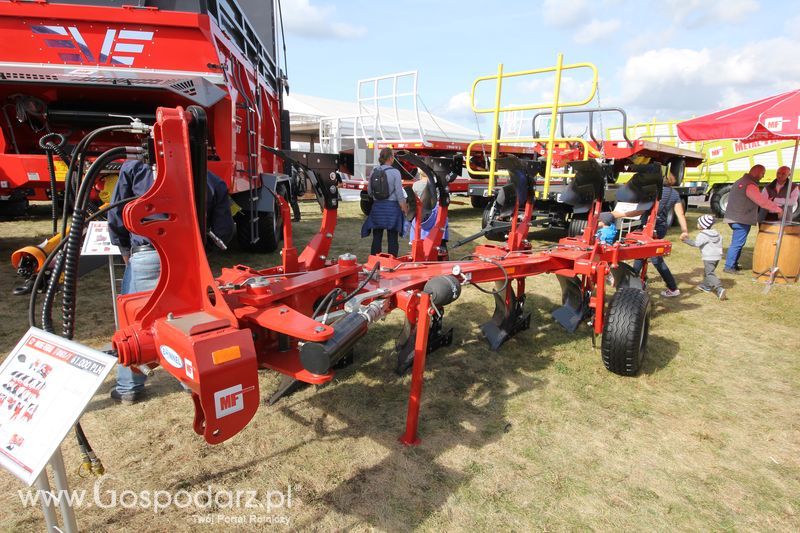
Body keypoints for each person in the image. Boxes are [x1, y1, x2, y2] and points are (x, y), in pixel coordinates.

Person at [107, 159, 235, 404]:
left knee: (136, 324)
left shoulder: (135, 169)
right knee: (185, 319)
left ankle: (128, 387)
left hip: (147, 254)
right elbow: (223, 229)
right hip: (189, 259)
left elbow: (117, 214)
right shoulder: (208, 178)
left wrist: (125, 247)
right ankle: (190, 379)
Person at [723, 164, 782, 274]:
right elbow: (761, 201)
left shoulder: (741, 180)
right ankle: (729, 266)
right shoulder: (750, 185)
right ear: (756, 172)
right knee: (737, 243)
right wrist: (777, 209)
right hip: (740, 219)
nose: (763, 176)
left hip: (733, 217)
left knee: (738, 242)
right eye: (762, 173)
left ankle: (733, 264)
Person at [361, 147, 408, 256]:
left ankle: (374, 261)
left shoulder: (374, 171)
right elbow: (399, 194)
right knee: (392, 238)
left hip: (377, 208)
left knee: (376, 238)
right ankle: (391, 263)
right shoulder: (395, 172)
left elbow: (369, 191)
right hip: (392, 210)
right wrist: (405, 209)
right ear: (391, 158)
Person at [681, 214, 726, 300]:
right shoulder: (716, 233)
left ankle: (719, 289)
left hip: (709, 257)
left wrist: (685, 240)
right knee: (708, 271)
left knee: (710, 273)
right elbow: (721, 240)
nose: (697, 224)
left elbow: (696, 244)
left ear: (702, 225)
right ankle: (706, 286)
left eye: (698, 223)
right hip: (717, 257)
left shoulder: (703, 235)